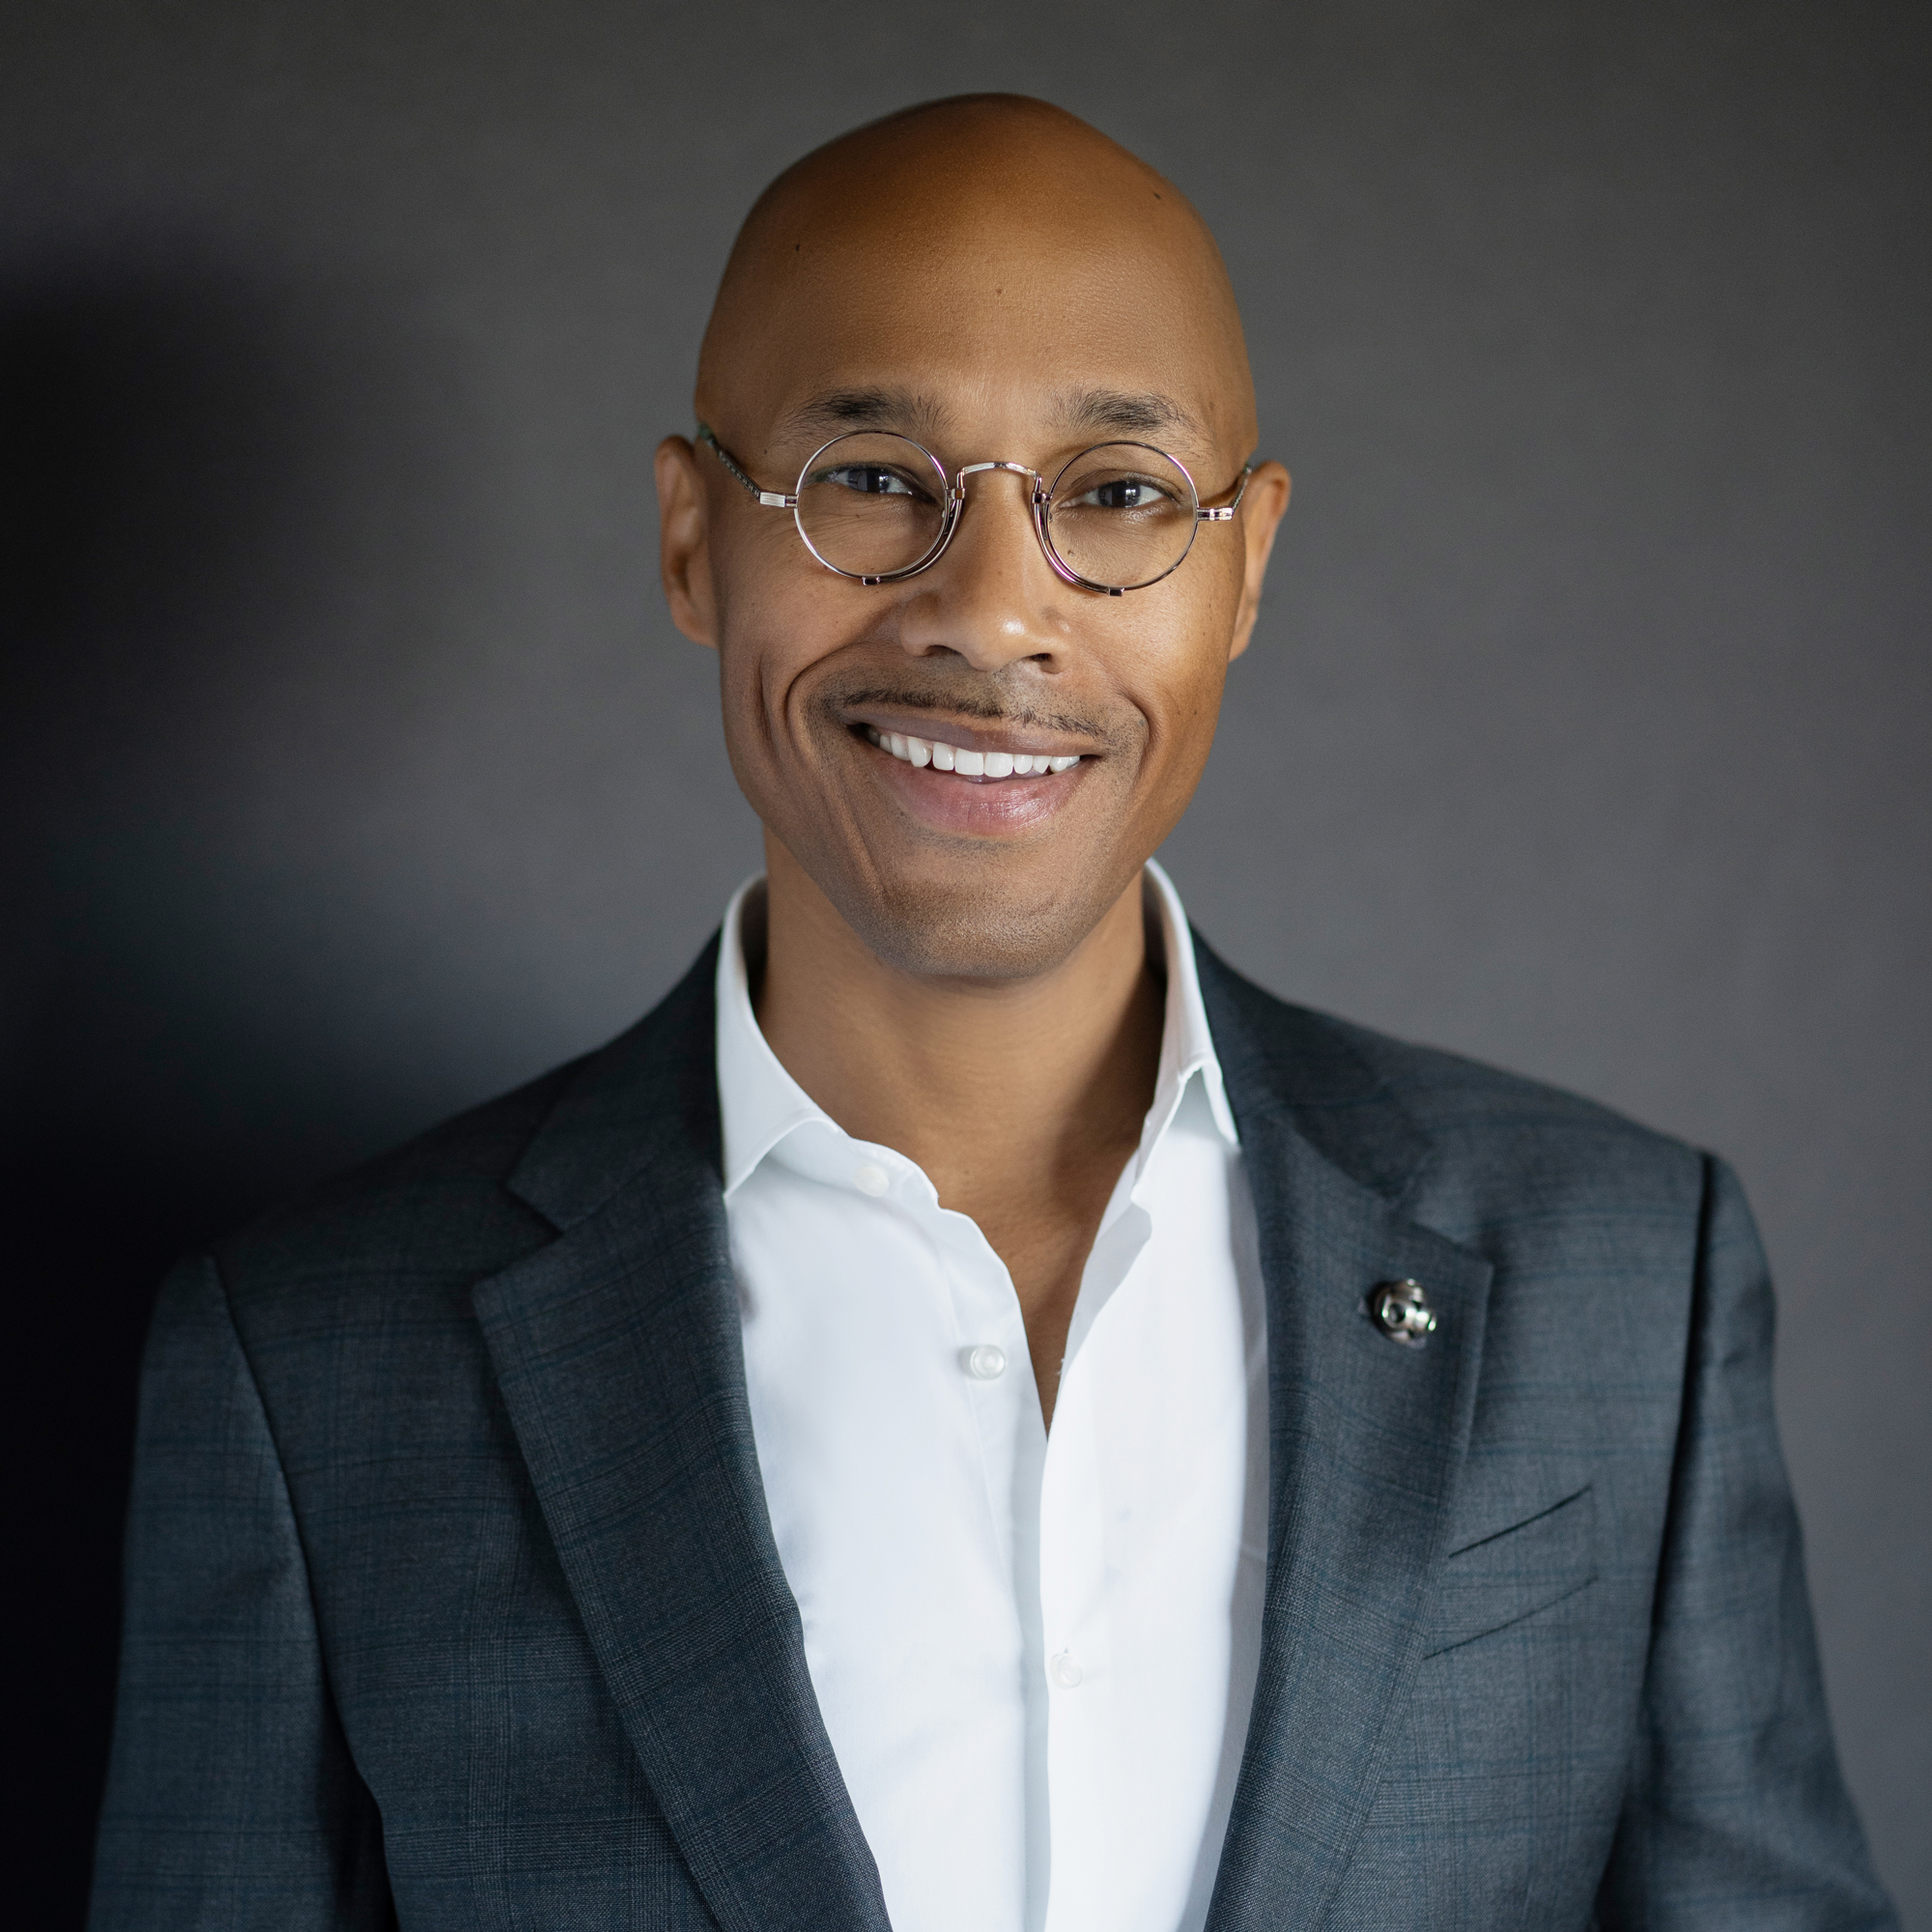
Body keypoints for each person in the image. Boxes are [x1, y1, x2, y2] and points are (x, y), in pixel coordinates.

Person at [89, 95, 1894, 1932]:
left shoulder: (1621, 1281)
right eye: (875, 476)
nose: (995, 614)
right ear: (696, 537)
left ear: (1247, 563)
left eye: (1116, 496)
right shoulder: (307, 1366)